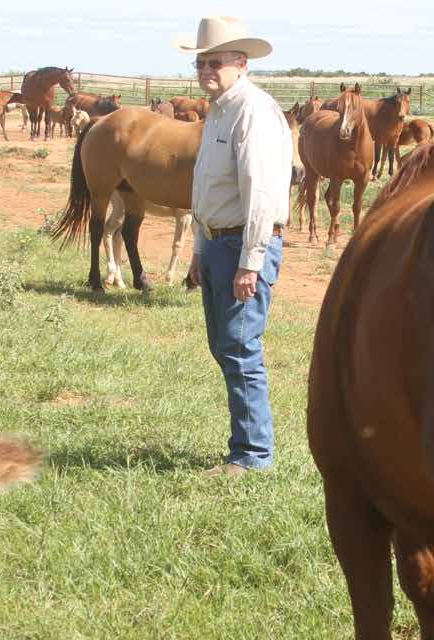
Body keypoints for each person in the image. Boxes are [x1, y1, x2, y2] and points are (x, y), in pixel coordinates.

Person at [177, 16, 292, 476]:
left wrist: (250, 261)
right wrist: (200, 250)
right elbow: (208, 189)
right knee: (225, 345)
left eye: (216, 62)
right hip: (219, 244)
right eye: (201, 63)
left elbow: (260, 193)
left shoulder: (253, 111)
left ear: (241, 63)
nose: (206, 70)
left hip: (244, 244)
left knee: (240, 345)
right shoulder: (220, 111)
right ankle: (245, 447)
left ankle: (252, 455)